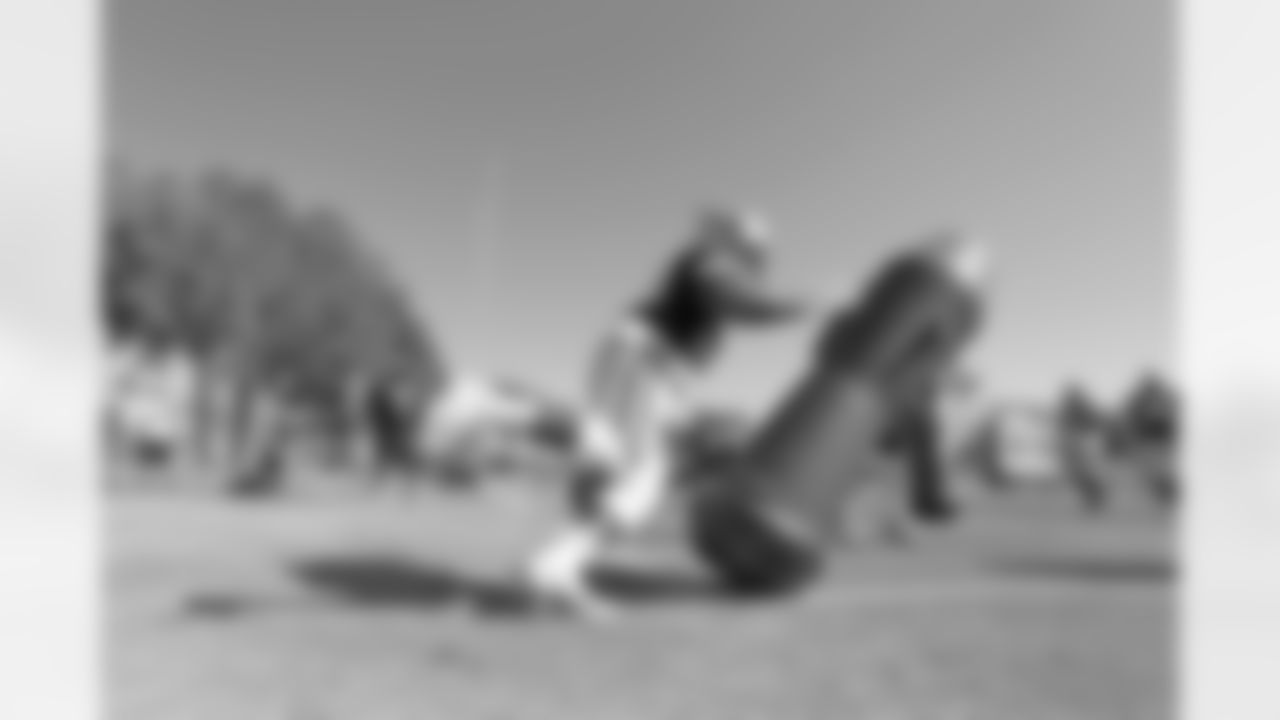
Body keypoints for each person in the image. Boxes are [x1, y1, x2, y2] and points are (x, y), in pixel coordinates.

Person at [521, 206, 813, 619]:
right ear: (738, 243)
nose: (754, 263)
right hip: (648, 357)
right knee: (644, 476)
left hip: (638, 356)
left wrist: (676, 409)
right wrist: (806, 304)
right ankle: (553, 570)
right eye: (753, 252)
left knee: (608, 464)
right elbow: (745, 304)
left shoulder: (707, 264)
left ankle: (561, 567)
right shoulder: (714, 262)